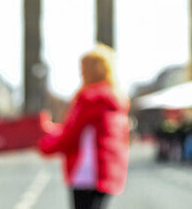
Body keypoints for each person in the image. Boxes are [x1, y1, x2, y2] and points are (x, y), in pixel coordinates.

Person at [37, 46, 129, 209]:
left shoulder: (90, 98)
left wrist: (45, 145)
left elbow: (72, 134)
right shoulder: (115, 99)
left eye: (83, 69)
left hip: (86, 172)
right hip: (108, 172)